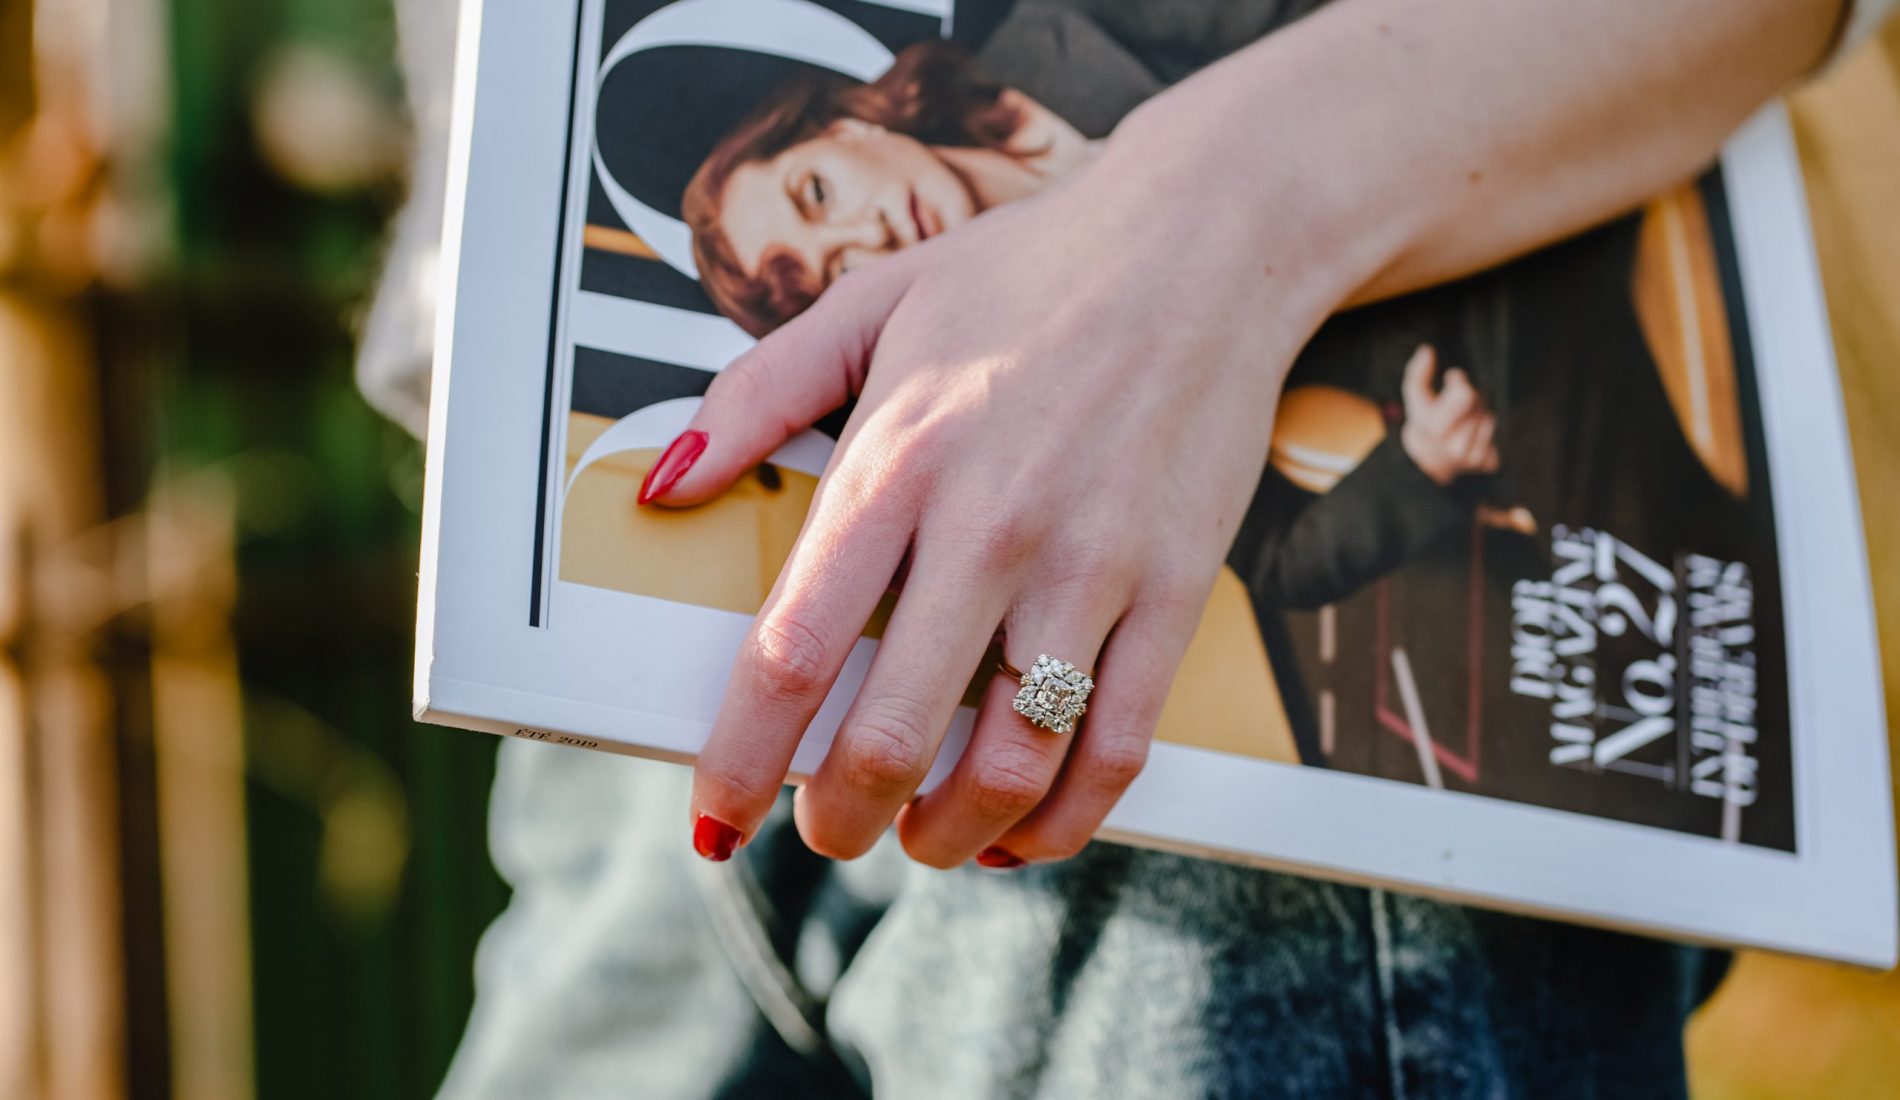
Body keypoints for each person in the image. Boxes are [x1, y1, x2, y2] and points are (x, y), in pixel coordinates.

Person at [374, 0, 1897, 1096]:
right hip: (646, 716)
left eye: (818, 190)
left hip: (1213, 825)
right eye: (789, 269)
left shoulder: (1074, 52)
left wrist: (1204, 221)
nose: (826, 254)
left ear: (861, 109)